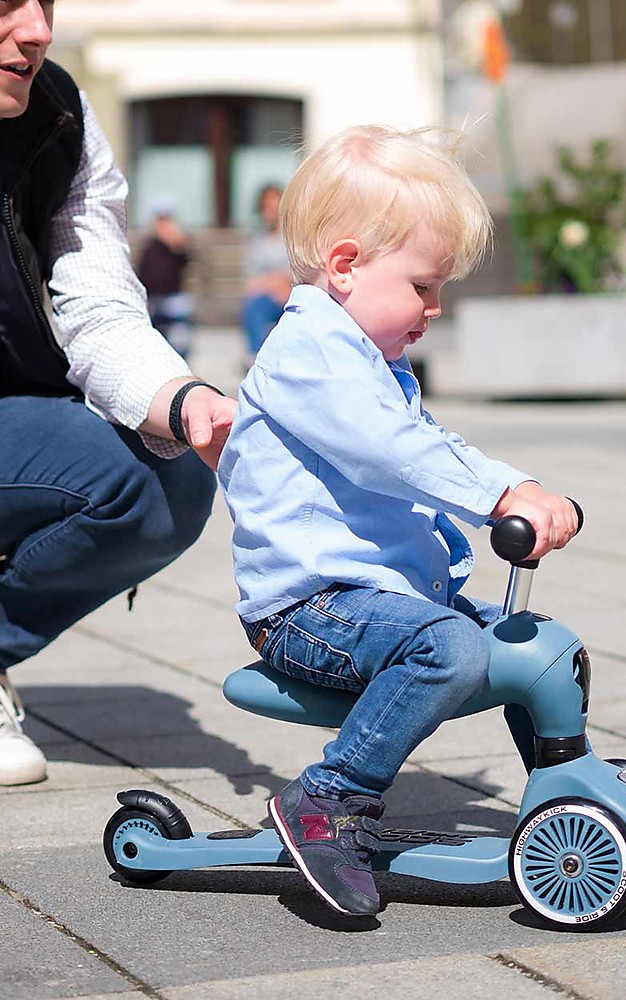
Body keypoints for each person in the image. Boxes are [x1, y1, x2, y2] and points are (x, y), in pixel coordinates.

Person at [218, 124, 579, 917]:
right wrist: (498, 495)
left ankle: (570, 797)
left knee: (544, 646)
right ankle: (327, 799)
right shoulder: (308, 352)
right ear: (346, 265)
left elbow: (423, 441)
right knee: (448, 645)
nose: (435, 308)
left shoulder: (371, 355)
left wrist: (514, 485)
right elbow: (391, 451)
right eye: (423, 285)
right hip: (307, 611)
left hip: (375, 604)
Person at [0, 1, 236, 786]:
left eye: (45, 1)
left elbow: (97, 303)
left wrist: (176, 398)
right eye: (5, 3)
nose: (35, 29)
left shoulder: (58, 115)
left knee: (164, 481)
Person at [239, 183, 293, 365]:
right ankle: (254, 356)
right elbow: (251, 277)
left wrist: (284, 284)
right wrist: (274, 283)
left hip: (291, 291)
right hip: (268, 292)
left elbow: (297, 269)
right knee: (254, 305)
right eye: (267, 206)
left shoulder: (292, 235)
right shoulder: (256, 238)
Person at [136, 196, 195, 360]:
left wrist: (178, 245)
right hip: (154, 300)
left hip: (174, 298)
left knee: (180, 341)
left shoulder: (178, 242)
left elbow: (188, 262)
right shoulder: (149, 245)